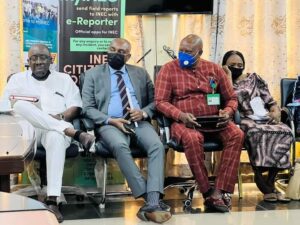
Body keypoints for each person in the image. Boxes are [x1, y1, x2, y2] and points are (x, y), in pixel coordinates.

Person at [82, 38, 172, 223]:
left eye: (121, 52)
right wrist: (110, 120)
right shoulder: (92, 74)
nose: (115, 53)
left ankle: (152, 200)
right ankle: (150, 200)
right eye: (112, 49)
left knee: (157, 145)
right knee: (120, 145)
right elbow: (87, 108)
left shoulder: (140, 73)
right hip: (109, 123)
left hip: (137, 121)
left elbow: (156, 101)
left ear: (128, 55)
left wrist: (144, 113)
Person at [3, 44, 96, 223]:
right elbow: (6, 106)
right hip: (27, 132)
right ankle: (74, 133)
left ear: (51, 60)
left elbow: (75, 106)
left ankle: (52, 200)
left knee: (54, 135)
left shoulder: (64, 79)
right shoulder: (17, 79)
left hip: (55, 132)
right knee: (21, 105)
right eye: (34, 58)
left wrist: (60, 116)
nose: (38, 62)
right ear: (28, 61)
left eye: (43, 57)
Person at [155, 34, 244, 212]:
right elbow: (160, 102)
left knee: (237, 134)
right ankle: (206, 191)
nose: (183, 55)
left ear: (200, 52)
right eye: (181, 50)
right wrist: (181, 115)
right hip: (185, 122)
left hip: (214, 120)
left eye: (188, 52)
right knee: (193, 138)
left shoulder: (214, 69)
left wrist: (227, 112)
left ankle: (218, 192)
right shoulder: (168, 69)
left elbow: (232, 98)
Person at [222, 50, 293, 202]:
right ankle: (259, 176)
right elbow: (228, 99)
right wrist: (227, 77)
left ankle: (270, 181)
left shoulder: (254, 78)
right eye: (232, 65)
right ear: (225, 66)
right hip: (242, 118)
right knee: (255, 133)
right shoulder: (222, 81)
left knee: (285, 131)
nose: (237, 67)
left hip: (262, 116)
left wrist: (275, 112)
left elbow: (271, 101)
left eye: (240, 65)